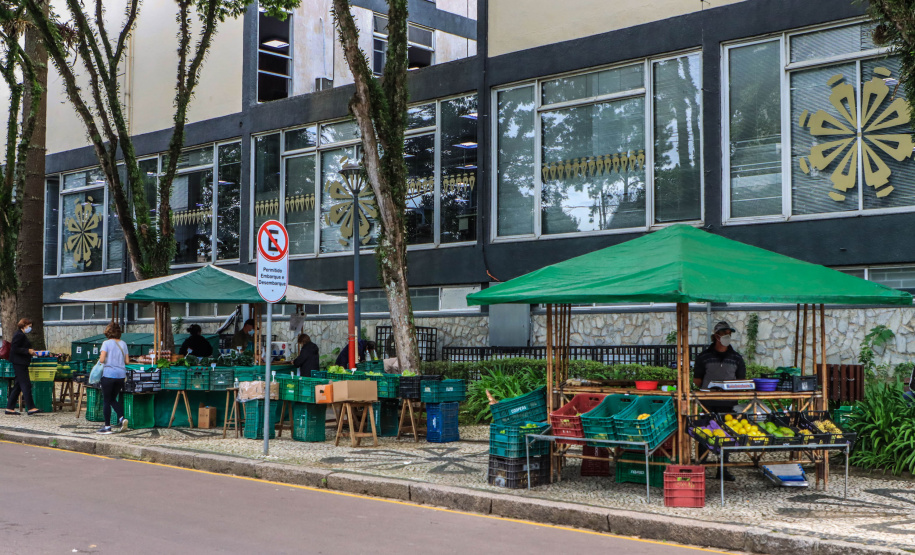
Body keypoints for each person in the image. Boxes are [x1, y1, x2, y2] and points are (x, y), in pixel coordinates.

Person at [693, 320, 746, 482]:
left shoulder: (737, 358)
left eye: (729, 334)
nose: (727, 336)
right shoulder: (704, 357)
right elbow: (697, 380)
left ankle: (723, 469)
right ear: (716, 336)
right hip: (707, 403)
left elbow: (741, 380)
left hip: (728, 403)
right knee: (704, 434)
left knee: (726, 435)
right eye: (724, 334)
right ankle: (701, 466)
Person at [96, 322, 129, 434]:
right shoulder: (123, 344)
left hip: (109, 375)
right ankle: (122, 418)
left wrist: (104, 358)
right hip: (121, 376)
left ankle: (107, 427)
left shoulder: (106, 343)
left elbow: (102, 360)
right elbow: (127, 361)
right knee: (113, 399)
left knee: (106, 400)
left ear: (108, 332)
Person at [6, 318, 39, 416]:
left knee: (18, 385)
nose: (30, 328)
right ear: (24, 325)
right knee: (26, 384)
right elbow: (14, 348)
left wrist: (30, 351)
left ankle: (9, 408)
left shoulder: (20, 334)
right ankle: (31, 407)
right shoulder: (19, 335)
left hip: (20, 362)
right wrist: (27, 351)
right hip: (19, 363)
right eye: (29, 326)